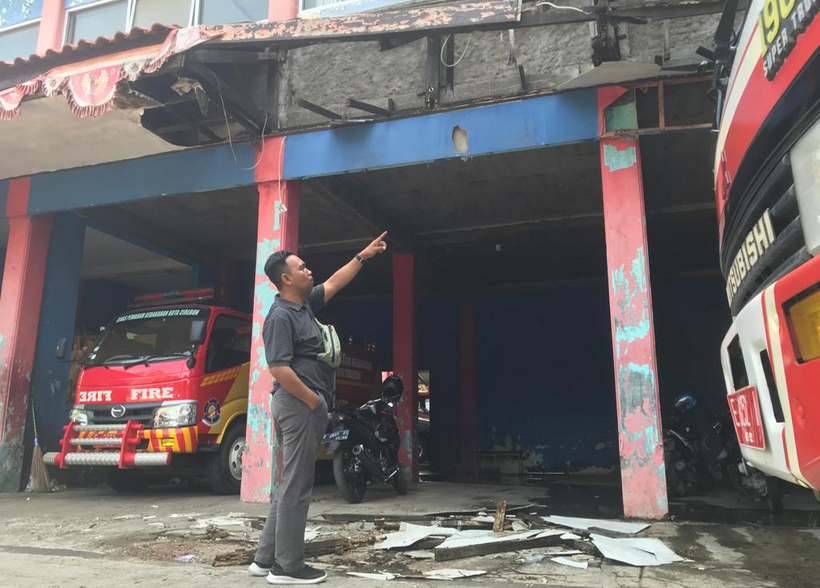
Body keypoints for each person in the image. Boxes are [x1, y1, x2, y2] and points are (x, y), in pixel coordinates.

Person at [250, 232, 388, 585]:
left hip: (302, 404)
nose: (309, 271)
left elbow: (334, 282)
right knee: (297, 485)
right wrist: (314, 401)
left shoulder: (304, 305)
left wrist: (363, 255)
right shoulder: (281, 317)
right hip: (298, 404)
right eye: (302, 267)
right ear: (286, 278)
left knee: (288, 482)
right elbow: (278, 367)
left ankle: (265, 559)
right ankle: (288, 568)